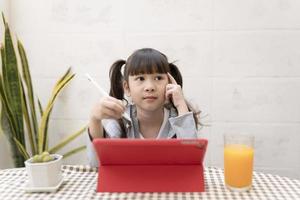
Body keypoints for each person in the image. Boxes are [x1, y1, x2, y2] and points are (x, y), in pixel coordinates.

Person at [86, 48, 201, 167]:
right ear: (127, 88)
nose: (150, 87)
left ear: (170, 84)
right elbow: (96, 164)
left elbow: (191, 162)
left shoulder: (180, 119)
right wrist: (94, 119)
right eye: (140, 78)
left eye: (158, 78)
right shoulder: (120, 121)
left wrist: (181, 105)